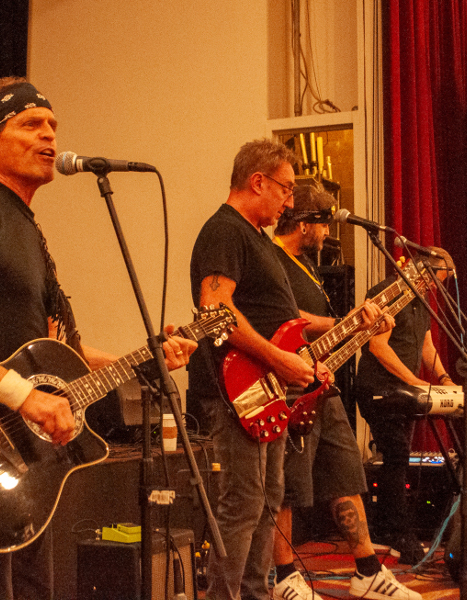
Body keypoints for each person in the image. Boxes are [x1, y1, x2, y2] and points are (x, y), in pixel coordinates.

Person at [0, 76, 197, 600]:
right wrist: (24, 397)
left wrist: (147, 360)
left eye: (54, 125)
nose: (51, 136)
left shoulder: (24, 227)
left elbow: (62, 354)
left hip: (23, 458)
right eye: (31, 124)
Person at [190, 138, 360, 600]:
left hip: (269, 389)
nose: (290, 201)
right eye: (285, 189)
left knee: (267, 502)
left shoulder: (258, 240)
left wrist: (306, 366)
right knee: (243, 505)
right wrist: (278, 359)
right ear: (257, 180)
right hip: (237, 392)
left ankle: (255, 594)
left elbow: (279, 321)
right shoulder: (225, 230)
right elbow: (214, 311)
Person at [270, 183, 422, 600]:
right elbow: (286, 318)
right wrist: (348, 321)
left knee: (344, 471)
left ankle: (368, 570)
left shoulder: (306, 265)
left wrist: (358, 326)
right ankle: (283, 577)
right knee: (286, 485)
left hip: (323, 383)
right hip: (289, 387)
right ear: (304, 224)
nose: (326, 235)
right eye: (322, 225)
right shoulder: (273, 259)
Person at [355, 246, 456, 566]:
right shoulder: (388, 293)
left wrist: (442, 377)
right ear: (429, 270)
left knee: (397, 458)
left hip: (403, 390)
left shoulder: (421, 299)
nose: (441, 285)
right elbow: (378, 347)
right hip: (379, 388)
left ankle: (388, 529)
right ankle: (396, 533)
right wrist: (415, 382)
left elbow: (425, 343)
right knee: (397, 455)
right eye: (441, 277)